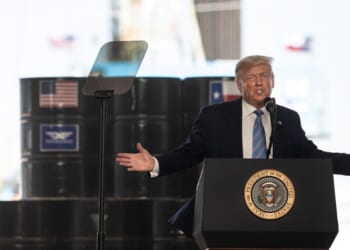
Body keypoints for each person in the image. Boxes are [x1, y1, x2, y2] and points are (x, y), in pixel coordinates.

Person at [115, 55, 350, 237]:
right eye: (251, 77)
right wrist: (155, 163)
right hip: (227, 212)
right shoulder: (215, 117)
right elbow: (190, 153)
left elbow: (311, 157)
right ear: (239, 85)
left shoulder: (287, 118)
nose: (259, 82)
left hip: (276, 214)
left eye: (265, 76)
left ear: (273, 81)